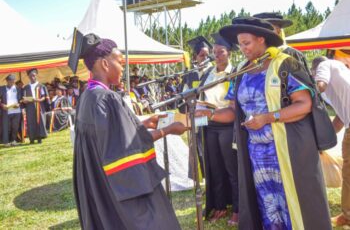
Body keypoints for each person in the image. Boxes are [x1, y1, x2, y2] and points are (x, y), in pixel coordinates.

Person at [195, 17, 332, 229]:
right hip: (257, 153)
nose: (242, 49)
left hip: (288, 150)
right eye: (240, 44)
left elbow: (304, 104)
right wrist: (209, 115)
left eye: (246, 43)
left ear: (261, 39)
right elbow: (233, 110)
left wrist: (268, 117)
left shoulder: (286, 64)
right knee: (267, 206)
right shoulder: (240, 71)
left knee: (294, 204)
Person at [68, 31, 188, 229]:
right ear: (105, 64)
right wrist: (168, 130)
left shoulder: (87, 97)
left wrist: (143, 123)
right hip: (121, 188)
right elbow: (127, 148)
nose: (124, 69)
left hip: (100, 182)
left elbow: (109, 134)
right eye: (121, 63)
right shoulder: (109, 99)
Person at [196, 32, 239, 226]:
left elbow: (234, 104)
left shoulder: (235, 72)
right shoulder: (208, 73)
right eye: (214, 52)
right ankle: (220, 205)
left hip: (228, 125)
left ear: (229, 52)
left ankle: (238, 209)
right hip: (209, 125)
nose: (217, 55)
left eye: (220, 52)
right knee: (215, 168)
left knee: (231, 168)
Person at [311, 56, 350, 227]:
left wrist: (298, 97)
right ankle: (347, 215)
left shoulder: (325, 64)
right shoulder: (342, 76)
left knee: (349, 174)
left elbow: (319, 85)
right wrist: (323, 141)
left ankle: (348, 216)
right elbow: (340, 120)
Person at [22, 69, 49, 144]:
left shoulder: (41, 86)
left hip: (39, 105)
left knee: (39, 121)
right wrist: (25, 100)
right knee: (31, 122)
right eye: (30, 76)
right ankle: (32, 138)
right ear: (28, 77)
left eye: (33, 75)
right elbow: (23, 98)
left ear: (36, 75)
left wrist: (38, 100)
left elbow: (44, 97)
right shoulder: (26, 87)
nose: (32, 77)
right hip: (29, 106)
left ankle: (40, 137)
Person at [0, 74, 22, 146]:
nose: (11, 82)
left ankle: (13, 140)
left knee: (15, 127)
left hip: (16, 111)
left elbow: (21, 99)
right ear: (6, 81)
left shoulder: (18, 89)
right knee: (6, 127)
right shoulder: (2, 88)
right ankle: (6, 142)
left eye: (13, 81)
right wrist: (2, 105)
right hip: (6, 111)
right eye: (10, 81)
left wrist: (19, 104)